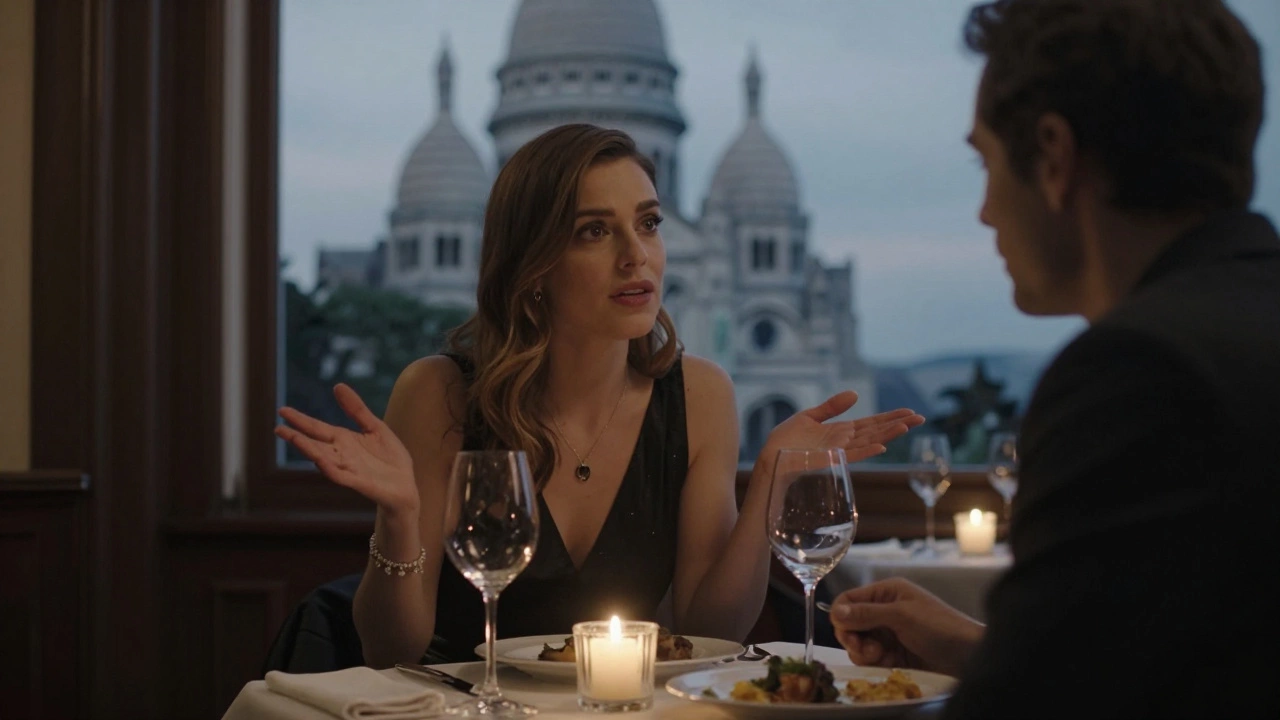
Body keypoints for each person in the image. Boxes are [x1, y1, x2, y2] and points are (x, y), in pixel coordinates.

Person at [276, 123, 925, 667]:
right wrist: (396, 518)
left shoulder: (701, 394)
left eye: (647, 224)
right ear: (533, 263)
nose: (635, 256)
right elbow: (393, 650)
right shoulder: (438, 393)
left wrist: (773, 481)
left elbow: (713, 629)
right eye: (594, 230)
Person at [828, 1, 1280, 717]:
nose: (982, 212)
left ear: (1053, 157)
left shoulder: (1138, 373)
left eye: (986, 162)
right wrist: (984, 648)